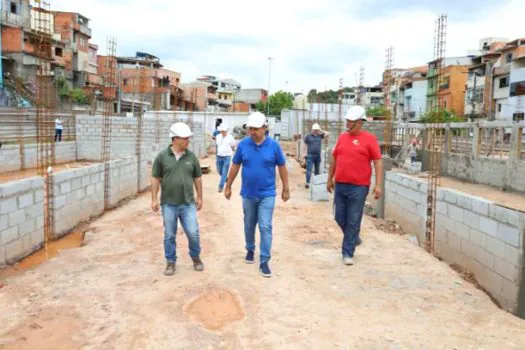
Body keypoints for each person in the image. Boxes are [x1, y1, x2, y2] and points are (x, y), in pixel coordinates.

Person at [224, 111, 290, 278]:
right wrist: (228, 185)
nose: (252, 132)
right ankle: (250, 249)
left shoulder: (273, 146)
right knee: (248, 224)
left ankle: (264, 260)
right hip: (248, 193)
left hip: (267, 193)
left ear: (264, 128)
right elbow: (235, 165)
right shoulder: (244, 145)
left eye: (255, 129)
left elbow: (282, 167)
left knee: (265, 226)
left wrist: (286, 188)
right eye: (250, 129)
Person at [327, 105, 383, 266]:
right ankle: (353, 237)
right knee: (339, 216)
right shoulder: (342, 138)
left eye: (349, 121)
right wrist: (329, 179)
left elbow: (378, 162)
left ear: (359, 122)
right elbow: (335, 160)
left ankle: (347, 252)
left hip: (359, 187)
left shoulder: (369, 139)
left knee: (353, 219)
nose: (346, 123)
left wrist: (378, 185)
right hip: (341, 184)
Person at [151, 122, 205, 276]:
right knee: (169, 235)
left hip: (188, 203)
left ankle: (195, 257)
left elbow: (198, 178)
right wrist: (154, 198)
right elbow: (155, 178)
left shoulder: (191, 156)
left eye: (188, 138)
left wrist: (200, 197)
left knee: (193, 233)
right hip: (169, 204)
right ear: (174, 139)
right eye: (185, 138)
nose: (188, 141)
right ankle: (170, 262)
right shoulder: (162, 157)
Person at [302, 123, 330, 188]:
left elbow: (328, 133)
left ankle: (316, 183)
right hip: (310, 155)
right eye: (315, 129)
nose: (315, 131)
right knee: (309, 169)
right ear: (312, 129)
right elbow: (305, 145)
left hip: (318, 156)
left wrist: (320, 130)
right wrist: (304, 153)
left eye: (316, 130)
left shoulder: (320, 136)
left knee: (317, 170)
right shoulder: (308, 136)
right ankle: (307, 183)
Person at [215, 123, 237, 193]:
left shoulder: (230, 137)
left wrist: (233, 148)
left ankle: (220, 187)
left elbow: (234, 145)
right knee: (219, 171)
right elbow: (217, 145)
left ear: (226, 130)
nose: (223, 132)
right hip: (219, 156)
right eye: (222, 131)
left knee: (224, 172)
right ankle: (227, 180)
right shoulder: (218, 136)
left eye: (224, 131)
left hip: (227, 157)